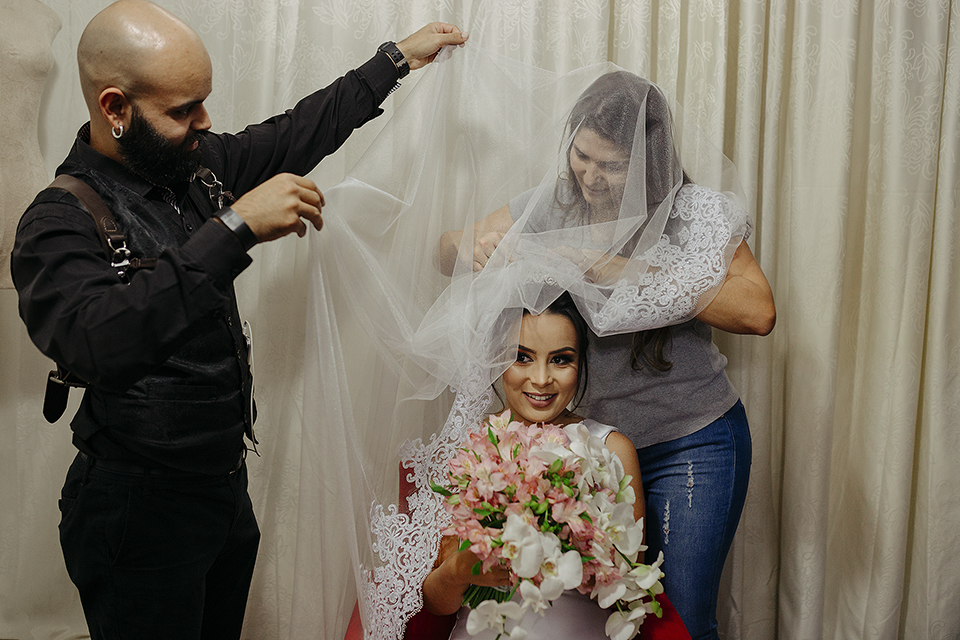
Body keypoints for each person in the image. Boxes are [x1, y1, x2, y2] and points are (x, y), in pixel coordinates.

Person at [9, 1, 467, 638]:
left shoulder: (192, 168)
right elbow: (98, 343)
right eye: (182, 110)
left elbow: (292, 133)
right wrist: (236, 227)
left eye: (204, 101)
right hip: (136, 512)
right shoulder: (57, 221)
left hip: (223, 492)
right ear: (115, 108)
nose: (204, 122)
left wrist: (394, 61)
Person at [435, 71, 775, 640]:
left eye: (610, 165)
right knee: (602, 616)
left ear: (648, 161)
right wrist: (470, 246)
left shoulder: (693, 215)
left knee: (681, 618)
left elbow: (758, 311)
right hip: (594, 453)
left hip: (691, 441)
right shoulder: (552, 204)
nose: (589, 177)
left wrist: (609, 266)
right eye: (581, 156)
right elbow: (444, 248)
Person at [421, 292, 650, 639]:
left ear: (581, 364)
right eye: (522, 357)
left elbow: (631, 586)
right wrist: (459, 570)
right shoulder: (470, 449)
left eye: (560, 359)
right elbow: (438, 603)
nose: (541, 379)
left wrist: (569, 534)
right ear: (497, 359)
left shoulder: (612, 449)